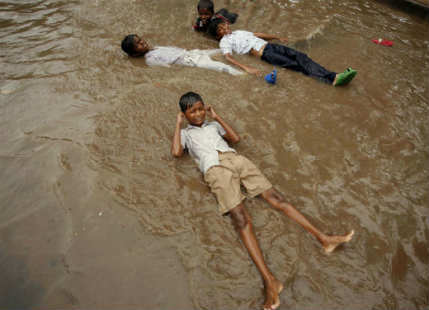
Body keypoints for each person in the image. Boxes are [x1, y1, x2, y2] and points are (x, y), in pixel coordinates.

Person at [171, 91, 354, 310]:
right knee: (240, 219)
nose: (199, 114)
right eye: (193, 111)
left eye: (201, 109)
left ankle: (324, 238)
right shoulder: (185, 134)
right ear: (185, 114)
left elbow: (235, 139)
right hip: (215, 169)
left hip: (236, 160)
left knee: (276, 198)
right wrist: (178, 124)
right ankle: (269, 281)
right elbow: (176, 153)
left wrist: (217, 117)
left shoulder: (212, 126)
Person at [207, 18, 357, 86]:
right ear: (218, 34)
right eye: (220, 29)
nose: (224, 29)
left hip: (270, 46)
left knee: (301, 57)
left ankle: (333, 76)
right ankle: (332, 79)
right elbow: (228, 57)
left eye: (223, 25)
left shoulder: (238, 31)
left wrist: (277, 37)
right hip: (265, 54)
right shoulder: (224, 42)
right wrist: (246, 67)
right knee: (296, 65)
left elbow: (257, 35)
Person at [121, 34, 243, 75]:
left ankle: (244, 47)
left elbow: (175, 49)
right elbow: (168, 68)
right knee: (223, 67)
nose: (142, 42)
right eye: (138, 44)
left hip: (192, 53)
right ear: (134, 54)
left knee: (222, 51)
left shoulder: (155, 48)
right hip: (192, 61)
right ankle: (244, 75)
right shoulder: (150, 60)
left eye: (140, 39)